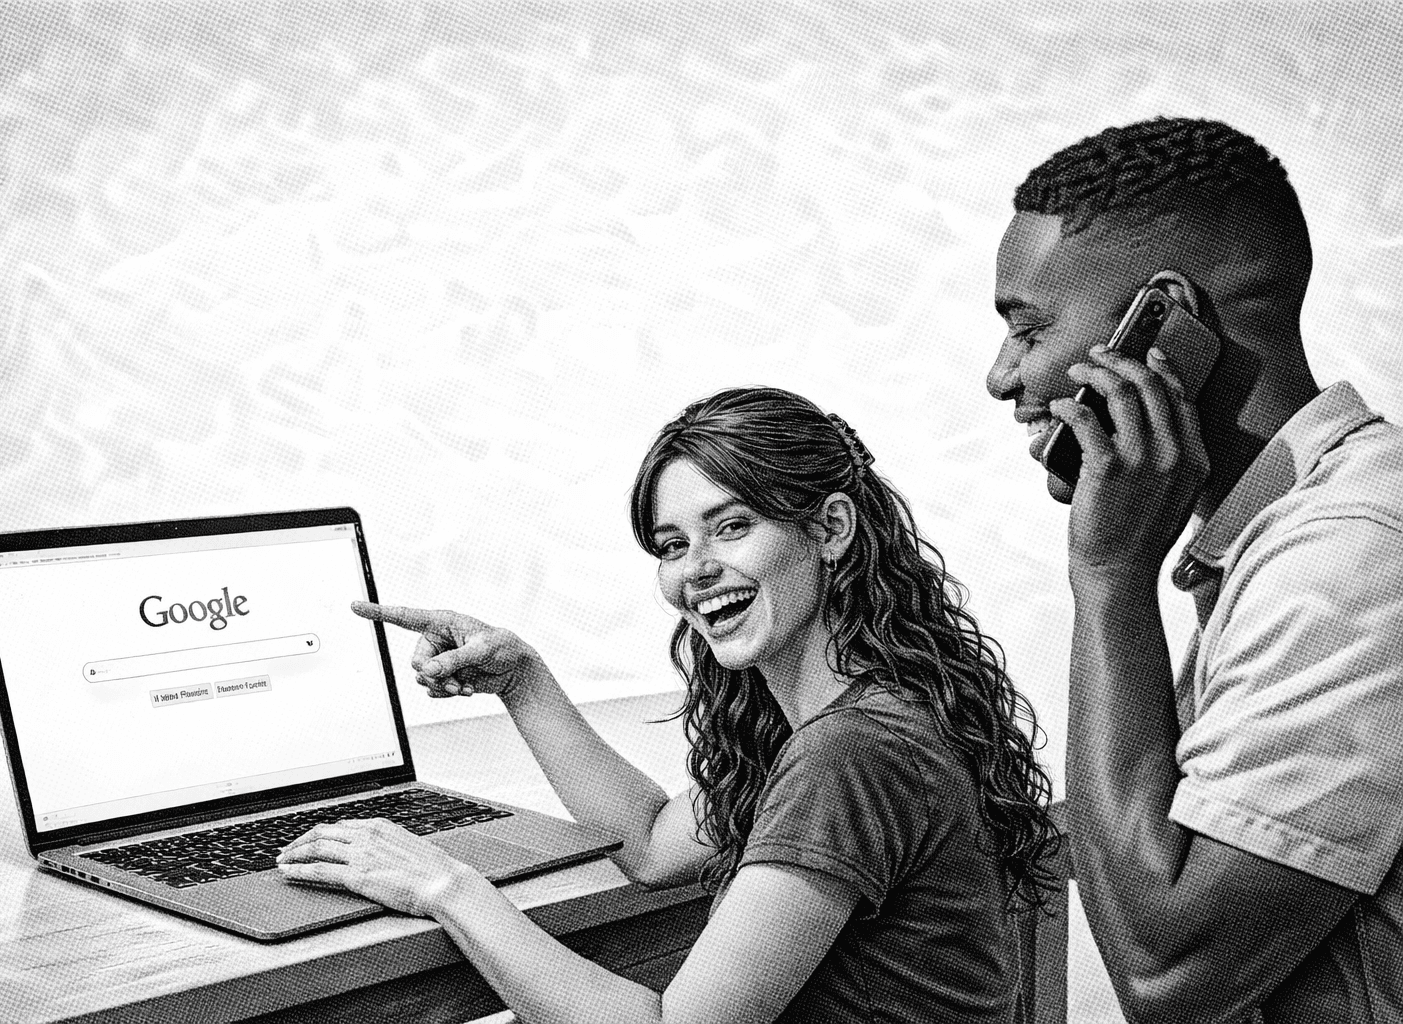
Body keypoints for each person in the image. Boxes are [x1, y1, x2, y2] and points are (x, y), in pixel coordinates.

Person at [278, 386, 1058, 1024]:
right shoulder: (871, 713)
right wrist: (522, 679)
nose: (698, 570)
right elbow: (652, 846)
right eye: (673, 545)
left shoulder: (850, 753)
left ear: (829, 529)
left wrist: (442, 885)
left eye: (732, 527)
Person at [987, 115, 1403, 1022]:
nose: (1001, 376)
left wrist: (1108, 579)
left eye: (1027, 329)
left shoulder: (1352, 555)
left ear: (1166, 319)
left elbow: (1166, 974)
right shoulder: (1296, 536)